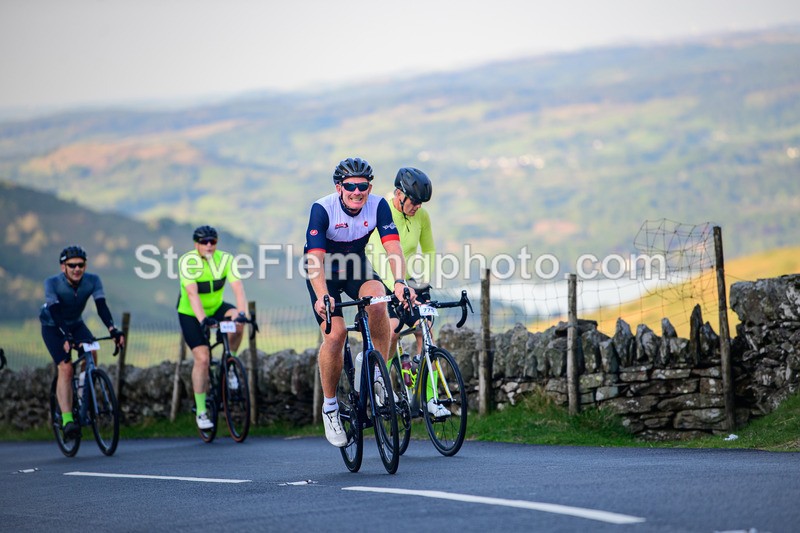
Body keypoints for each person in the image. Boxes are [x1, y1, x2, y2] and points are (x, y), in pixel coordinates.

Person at [305, 157, 416, 447]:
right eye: (350, 186)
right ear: (339, 187)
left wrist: (401, 282)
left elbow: (393, 245)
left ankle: (377, 372)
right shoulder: (322, 208)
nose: (357, 192)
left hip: (355, 266)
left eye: (363, 186)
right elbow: (314, 259)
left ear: (370, 186)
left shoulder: (378, 205)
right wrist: (321, 297)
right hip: (323, 273)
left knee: (379, 300)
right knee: (337, 334)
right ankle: (330, 407)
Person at [366, 167, 449, 417]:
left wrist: (423, 282)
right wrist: (394, 285)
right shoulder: (383, 211)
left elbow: (430, 250)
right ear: (399, 194)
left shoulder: (422, 217)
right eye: (414, 201)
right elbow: (376, 254)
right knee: (391, 332)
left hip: (410, 281)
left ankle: (431, 399)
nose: (418, 207)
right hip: (383, 280)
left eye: (422, 203)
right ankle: (382, 386)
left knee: (426, 330)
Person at [39, 246, 125, 440]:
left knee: (92, 353)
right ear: (63, 267)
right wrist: (66, 337)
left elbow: (101, 306)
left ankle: (82, 394)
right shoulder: (52, 283)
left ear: (85, 266)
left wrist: (113, 330)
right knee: (66, 368)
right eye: (72, 265)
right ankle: (68, 420)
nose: (77, 269)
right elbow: (55, 311)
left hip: (76, 324)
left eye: (80, 265)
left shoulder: (93, 281)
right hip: (53, 326)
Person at [177, 225, 249, 430]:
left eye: (213, 241)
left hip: (216, 307)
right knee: (202, 358)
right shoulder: (187, 261)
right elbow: (192, 294)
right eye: (204, 242)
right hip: (191, 312)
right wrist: (202, 320)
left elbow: (238, 288)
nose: (209, 245)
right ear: (196, 244)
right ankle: (201, 411)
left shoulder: (225, 259)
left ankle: (231, 363)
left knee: (237, 322)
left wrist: (242, 313)